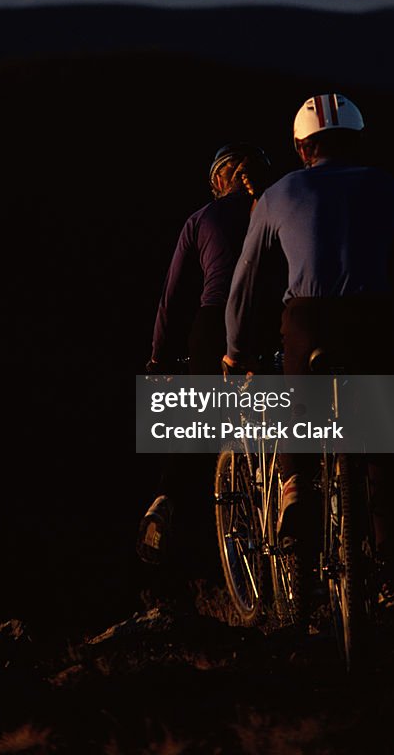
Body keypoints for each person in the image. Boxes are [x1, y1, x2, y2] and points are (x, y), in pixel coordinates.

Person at [223, 93, 394, 566]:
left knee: (296, 402)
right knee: (381, 439)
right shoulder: (391, 189)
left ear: (302, 149)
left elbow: (243, 281)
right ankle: (391, 569)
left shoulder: (278, 194)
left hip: (306, 320)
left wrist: (236, 349)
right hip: (374, 320)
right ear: (357, 142)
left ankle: (296, 486)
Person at [138, 141, 272, 566]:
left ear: (218, 179)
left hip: (212, 323)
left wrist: (158, 358)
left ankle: (166, 498)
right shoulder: (274, 207)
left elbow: (171, 297)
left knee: (197, 419)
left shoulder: (200, 219)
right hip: (269, 318)